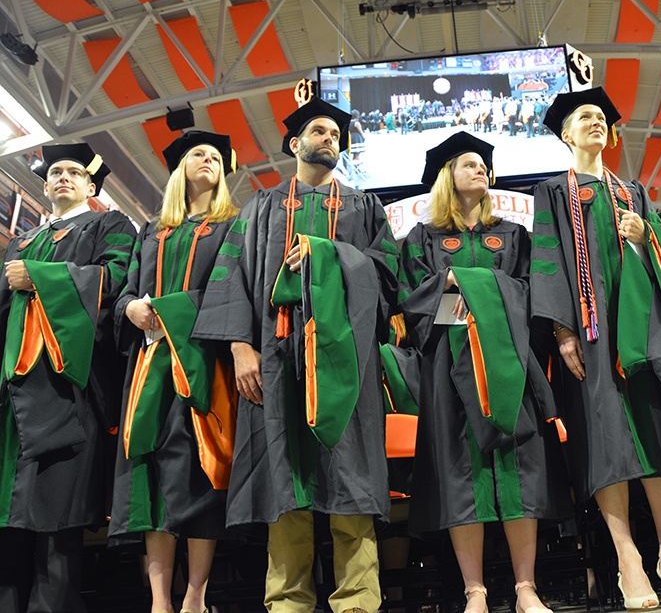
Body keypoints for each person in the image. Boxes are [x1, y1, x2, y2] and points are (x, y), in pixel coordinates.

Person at [192, 97, 401, 613]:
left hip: (344, 362)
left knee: (351, 478)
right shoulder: (260, 207)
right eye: (319, 131)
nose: (329, 139)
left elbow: (388, 274)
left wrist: (326, 254)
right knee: (282, 481)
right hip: (275, 359)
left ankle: (358, 601)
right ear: (295, 143)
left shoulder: (364, 207)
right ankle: (287, 602)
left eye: (335, 135)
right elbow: (231, 278)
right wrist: (240, 348)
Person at [531, 88, 661, 608]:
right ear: (566, 134)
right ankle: (628, 559)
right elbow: (546, 259)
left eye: (602, 117)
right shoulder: (552, 192)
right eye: (584, 117)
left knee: (659, 429)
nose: (597, 122)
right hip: (591, 333)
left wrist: (644, 236)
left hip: (644, 328)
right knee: (606, 438)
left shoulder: (632, 191)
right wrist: (562, 331)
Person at [401, 131, 570, 613]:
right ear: (447, 176)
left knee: (520, 468)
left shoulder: (513, 235)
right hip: (450, 368)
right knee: (462, 473)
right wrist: (457, 294)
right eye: (469, 164)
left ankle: (525, 589)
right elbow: (411, 302)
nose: (480, 170)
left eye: (483, 165)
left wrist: (469, 284)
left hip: (507, 361)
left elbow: (532, 292)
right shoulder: (423, 239)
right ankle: (474, 590)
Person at [0, 143, 135, 612]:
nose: (63, 177)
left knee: (55, 523)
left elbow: (115, 279)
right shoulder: (22, 241)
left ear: (91, 186)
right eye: (55, 171)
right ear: (44, 186)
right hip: (12, 394)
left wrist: (41, 277)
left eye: (75, 172)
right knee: (7, 525)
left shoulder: (109, 225)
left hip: (66, 388)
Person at [109, 130, 241, 613]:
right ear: (180, 168)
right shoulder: (151, 230)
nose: (208, 160)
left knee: (201, 472)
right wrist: (129, 308)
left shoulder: (233, 227)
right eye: (198, 154)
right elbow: (125, 290)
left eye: (216, 158)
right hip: (150, 368)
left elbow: (232, 290)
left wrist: (172, 311)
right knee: (152, 476)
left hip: (204, 363)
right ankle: (159, 601)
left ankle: (195, 596)